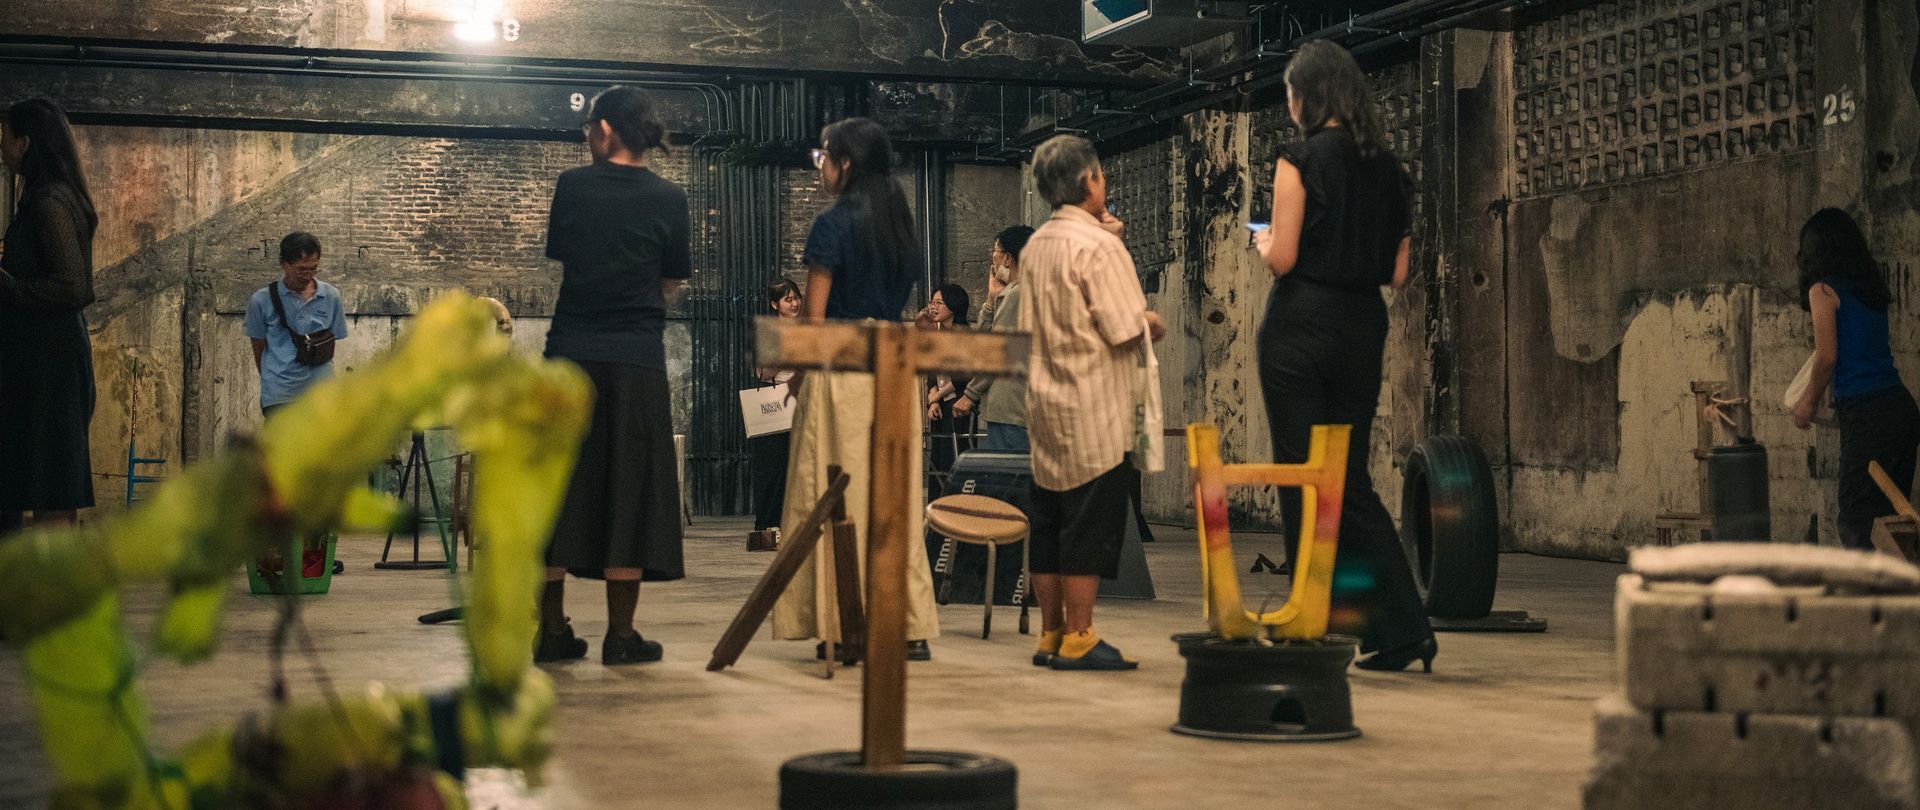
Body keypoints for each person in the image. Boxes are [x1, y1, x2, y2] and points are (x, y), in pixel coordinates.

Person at [1252, 39, 1435, 673]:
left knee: (1303, 477)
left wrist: (1263, 242)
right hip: (1362, 327)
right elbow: (1399, 273)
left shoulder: (1299, 158)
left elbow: (1284, 258)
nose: (1290, 105)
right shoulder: (1390, 171)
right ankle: (1402, 627)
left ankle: (1313, 622)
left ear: (1307, 96)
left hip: (1299, 327)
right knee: (1348, 479)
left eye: (1291, 94)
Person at [772, 117, 940, 662]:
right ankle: (905, 624)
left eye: (824, 156)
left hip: (842, 371)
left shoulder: (833, 225)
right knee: (894, 498)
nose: (820, 166)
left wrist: (798, 377)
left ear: (846, 163)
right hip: (892, 370)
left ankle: (842, 621)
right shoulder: (901, 227)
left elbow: (815, 321)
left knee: (832, 498)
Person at [536, 85, 690, 666]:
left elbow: (568, 257)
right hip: (635, 358)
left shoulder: (572, 187)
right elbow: (670, 279)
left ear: (604, 129)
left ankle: (551, 631)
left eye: (588, 129)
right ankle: (621, 636)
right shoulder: (669, 198)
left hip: (570, 353)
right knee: (630, 488)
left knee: (557, 487)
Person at [1021, 134, 1164, 671]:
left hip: (1045, 400)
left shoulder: (1036, 246)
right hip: (1093, 405)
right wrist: (1151, 321)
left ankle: (1050, 633)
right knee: (1087, 525)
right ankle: (1081, 635)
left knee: (1048, 524)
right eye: (1101, 174)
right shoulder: (1100, 249)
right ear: (1088, 182)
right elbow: (1124, 327)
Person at [1790, 208, 1919, 550]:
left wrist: (1807, 402)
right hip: (1901, 411)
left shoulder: (1822, 290)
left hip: (1866, 416)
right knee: (1891, 526)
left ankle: (1870, 587)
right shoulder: (1869, 288)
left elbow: (1827, 356)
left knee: (1856, 521)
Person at [0, 98, 97, 533]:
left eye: (4, 137)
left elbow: (74, 286)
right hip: (50, 357)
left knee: (52, 486)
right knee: (50, 484)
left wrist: (6, 284)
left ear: (24, 143)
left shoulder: (49, 200)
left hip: (50, 362)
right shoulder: (56, 195)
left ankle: (54, 578)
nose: (1, 147)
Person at [245, 232, 348, 419]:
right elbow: (258, 346)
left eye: (313, 269)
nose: (307, 275)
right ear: (284, 264)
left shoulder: (331, 296)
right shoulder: (261, 300)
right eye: (301, 270)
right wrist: (273, 379)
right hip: (280, 396)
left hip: (321, 394)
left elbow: (334, 339)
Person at [955, 225, 1035, 452]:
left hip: (1010, 409)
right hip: (1016, 408)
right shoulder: (1020, 290)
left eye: (995, 252)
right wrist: (992, 299)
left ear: (1008, 258)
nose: (993, 260)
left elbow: (995, 351)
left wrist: (970, 394)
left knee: (1006, 470)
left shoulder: (1018, 293)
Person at [748, 277, 803, 551]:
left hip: (804, 401)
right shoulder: (769, 332)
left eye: (796, 297)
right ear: (774, 305)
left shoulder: (808, 329)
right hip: (777, 401)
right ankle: (769, 525)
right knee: (773, 466)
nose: (794, 303)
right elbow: (762, 372)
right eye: (787, 299)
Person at [923, 282, 974, 474]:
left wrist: (937, 395)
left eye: (939, 303)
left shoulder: (964, 335)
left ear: (953, 306)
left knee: (953, 458)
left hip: (958, 403)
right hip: (940, 404)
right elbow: (931, 369)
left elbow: (964, 375)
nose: (933, 307)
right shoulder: (937, 334)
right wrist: (934, 399)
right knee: (938, 459)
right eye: (932, 302)